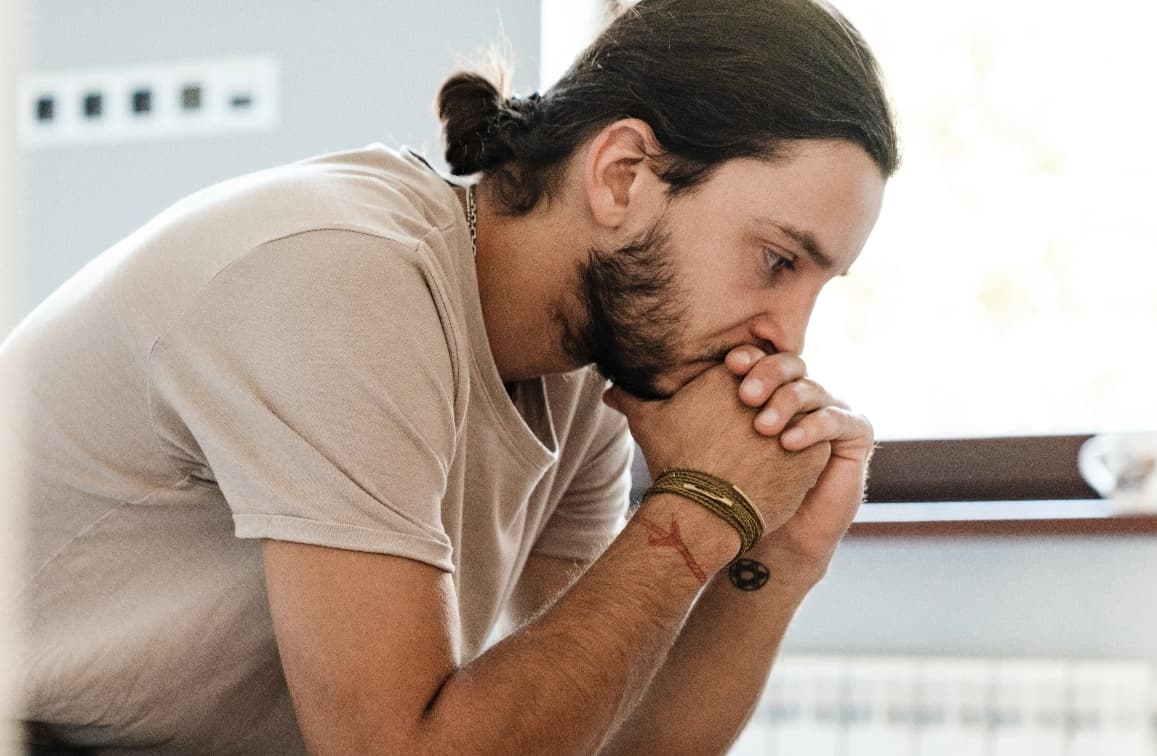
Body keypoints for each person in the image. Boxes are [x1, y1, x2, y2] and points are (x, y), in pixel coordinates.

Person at [2, 0, 898, 752]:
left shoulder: (582, 377)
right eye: (779, 262)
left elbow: (588, 734)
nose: (789, 341)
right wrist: (699, 509)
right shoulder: (344, 281)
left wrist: (780, 557)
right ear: (623, 175)